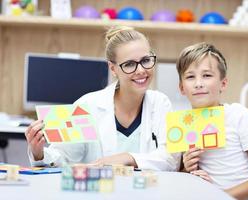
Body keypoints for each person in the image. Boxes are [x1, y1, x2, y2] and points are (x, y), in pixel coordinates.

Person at [25, 26, 179, 171]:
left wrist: (128, 158)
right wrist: (39, 153)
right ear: (113, 69)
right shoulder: (85, 106)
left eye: (146, 60)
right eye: (130, 64)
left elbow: (171, 159)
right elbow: (62, 158)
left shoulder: (160, 103)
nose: (141, 70)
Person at [176, 42, 248, 199]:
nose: (198, 83)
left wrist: (222, 197)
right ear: (182, 88)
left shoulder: (238, 115)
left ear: (223, 84)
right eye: (190, 77)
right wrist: (187, 170)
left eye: (207, 75)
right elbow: (185, 181)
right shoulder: (184, 125)